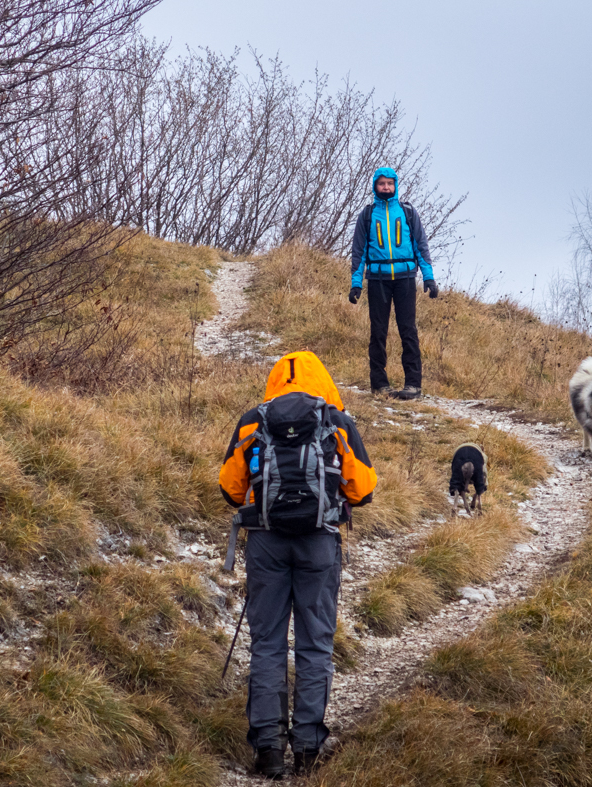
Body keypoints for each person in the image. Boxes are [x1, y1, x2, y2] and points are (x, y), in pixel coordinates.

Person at [219, 350, 377, 779]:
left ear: (276, 379)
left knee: (267, 643)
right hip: (319, 545)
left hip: (266, 543)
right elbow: (362, 490)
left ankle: (268, 749)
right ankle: (308, 749)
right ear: (321, 379)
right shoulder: (336, 421)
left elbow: (230, 490)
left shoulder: (255, 420)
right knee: (315, 644)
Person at [348, 166, 438, 400]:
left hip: (406, 279)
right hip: (377, 280)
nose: (386, 187)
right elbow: (359, 252)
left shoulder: (408, 212)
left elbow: (421, 245)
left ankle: (413, 385)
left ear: (395, 185)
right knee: (378, 332)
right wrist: (356, 283)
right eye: (382, 183)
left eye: (390, 183)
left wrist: (428, 277)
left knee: (408, 330)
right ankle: (379, 385)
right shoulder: (366, 216)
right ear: (375, 186)